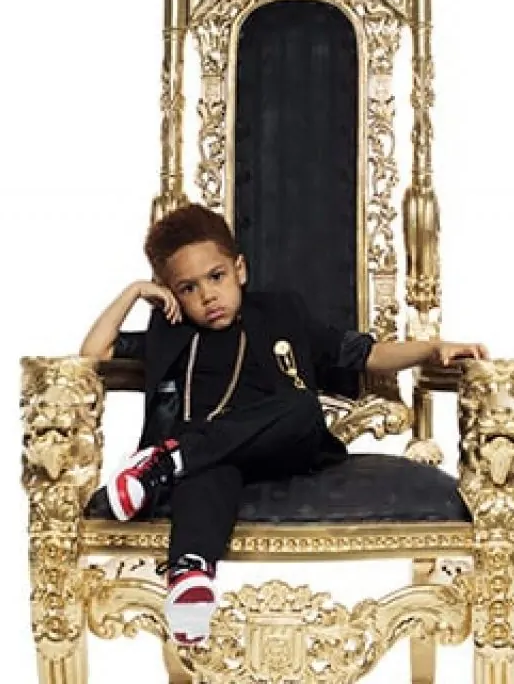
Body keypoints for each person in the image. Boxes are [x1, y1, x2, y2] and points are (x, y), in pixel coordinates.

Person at [79, 205, 487, 646]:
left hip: (286, 445)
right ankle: (190, 578)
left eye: (216, 277)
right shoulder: (173, 331)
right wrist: (134, 292)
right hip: (214, 459)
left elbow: (365, 354)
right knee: (207, 473)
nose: (208, 296)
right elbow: (94, 353)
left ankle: (165, 462)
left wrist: (431, 349)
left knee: (301, 406)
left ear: (240, 269)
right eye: (188, 288)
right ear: (171, 293)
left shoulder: (281, 313)